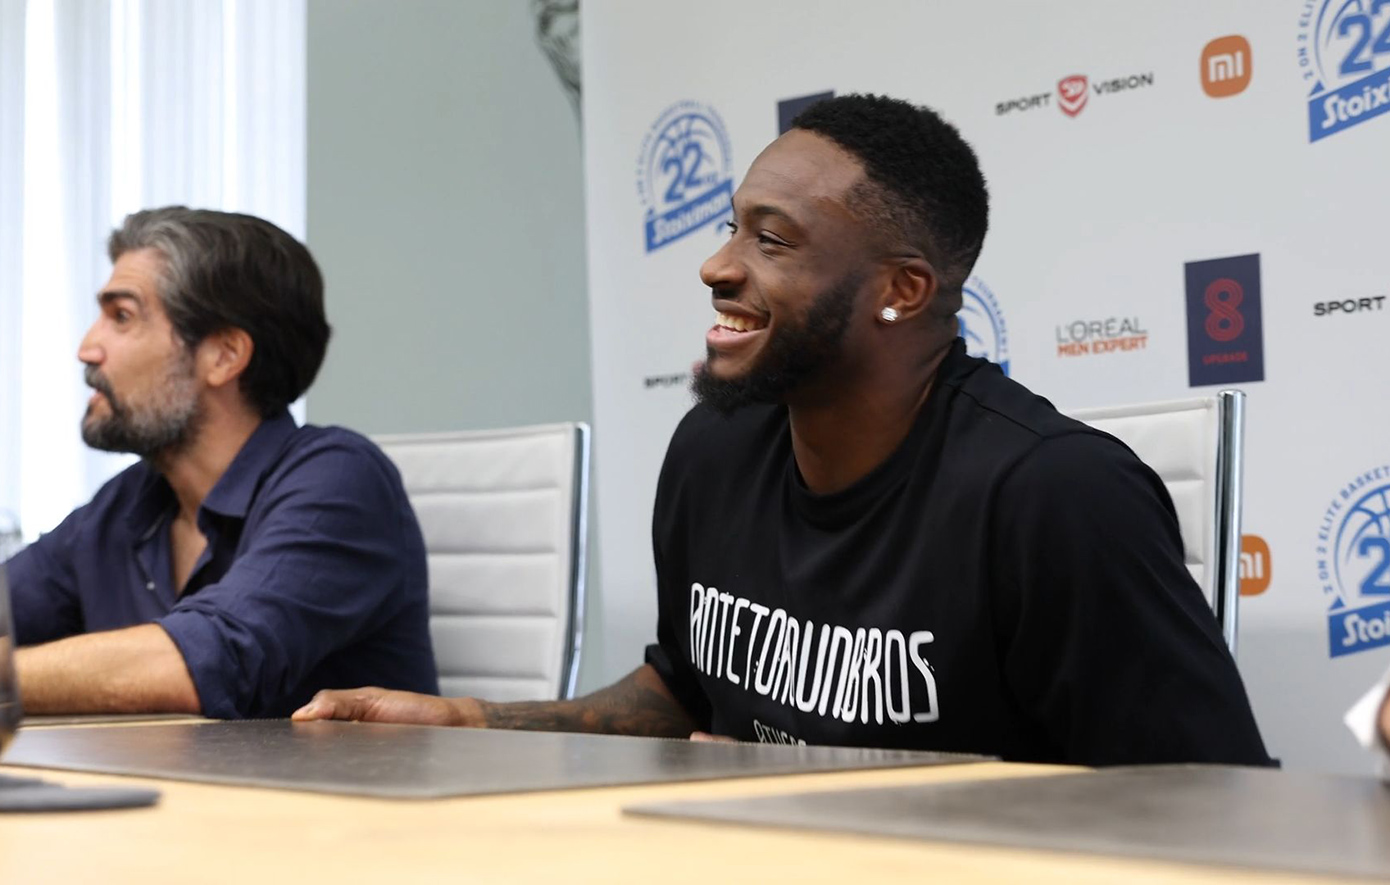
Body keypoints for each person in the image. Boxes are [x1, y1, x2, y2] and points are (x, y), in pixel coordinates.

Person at [296, 94, 1270, 766]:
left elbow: (1205, 802)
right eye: (731, 228)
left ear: (901, 290)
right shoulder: (716, 450)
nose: (717, 267)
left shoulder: (1055, 496)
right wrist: (464, 718)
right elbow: (682, 693)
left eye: (771, 240)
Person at [8, 207, 438, 718]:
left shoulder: (341, 480)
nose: (87, 348)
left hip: (325, 775)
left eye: (121, 317)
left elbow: (203, 662)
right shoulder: (127, 503)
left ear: (224, 356)